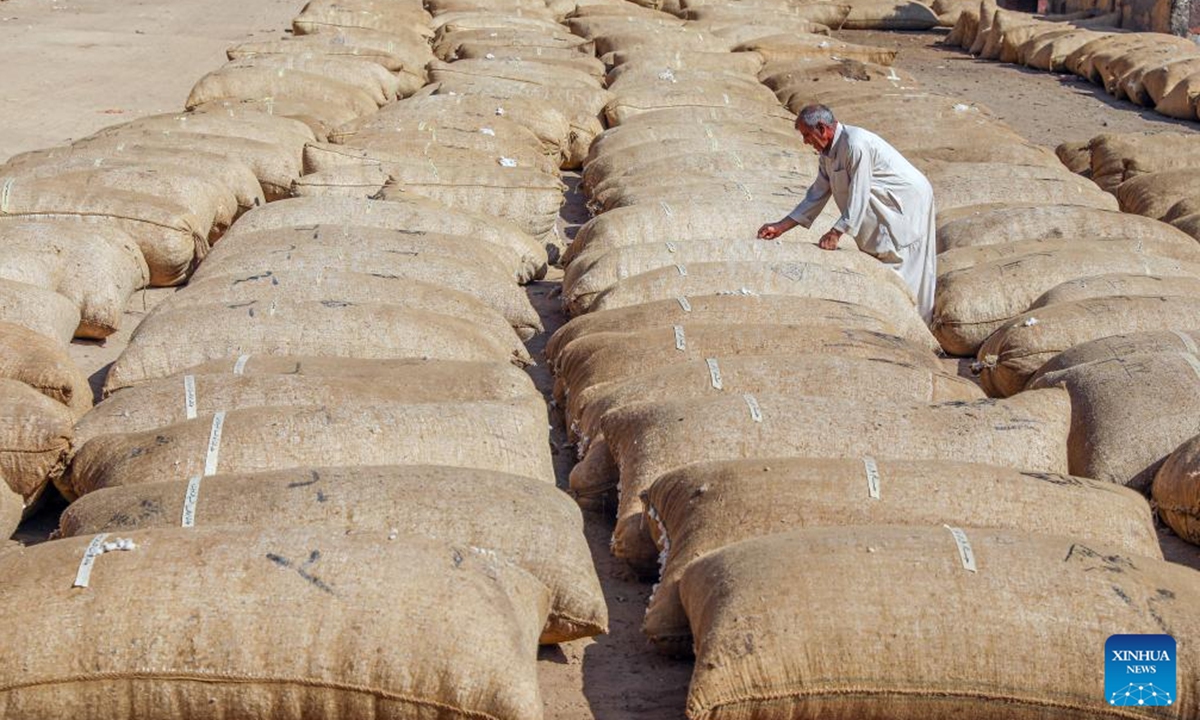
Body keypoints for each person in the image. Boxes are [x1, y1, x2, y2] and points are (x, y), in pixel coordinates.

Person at [757, 104, 937, 323]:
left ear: (822, 128)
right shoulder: (827, 153)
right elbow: (818, 192)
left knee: (905, 262)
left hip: (907, 202)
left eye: (807, 135)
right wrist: (781, 226)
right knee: (886, 259)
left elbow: (859, 192)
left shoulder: (855, 144)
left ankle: (918, 324)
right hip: (883, 205)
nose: (805, 142)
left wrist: (837, 232)